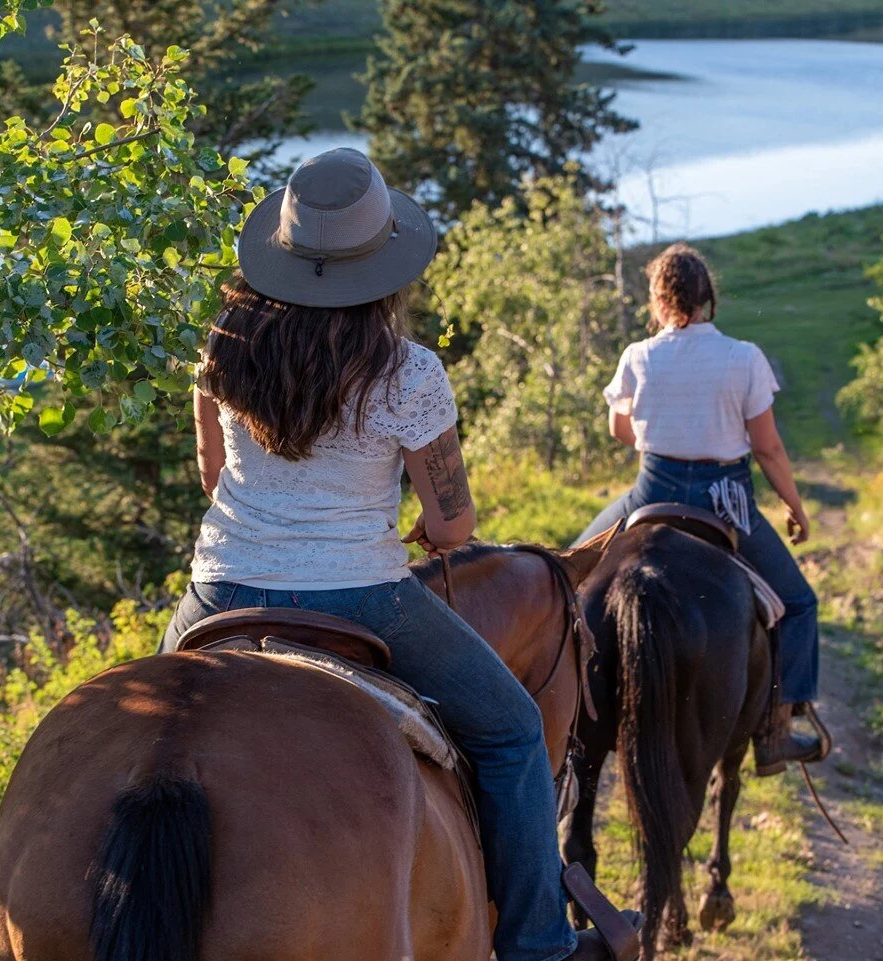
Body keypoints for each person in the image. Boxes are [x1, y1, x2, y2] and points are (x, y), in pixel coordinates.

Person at [160, 147, 623, 961]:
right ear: (385, 263)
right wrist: (413, 522)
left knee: (156, 742)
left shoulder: (222, 342)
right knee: (513, 731)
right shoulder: (408, 371)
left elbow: (212, 476)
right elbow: (451, 525)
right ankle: (539, 947)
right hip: (364, 596)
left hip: (218, 589)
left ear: (283, 246)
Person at [574, 243, 823, 774]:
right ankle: (777, 730)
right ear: (708, 298)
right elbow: (769, 448)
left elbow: (622, 431)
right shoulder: (743, 357)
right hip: (725, 501)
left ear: (658, 301)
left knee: (566, 576)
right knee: (798, 604)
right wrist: (794, 505)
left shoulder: (638, 355)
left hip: (651, 492)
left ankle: (564, 715)